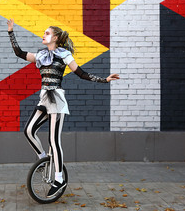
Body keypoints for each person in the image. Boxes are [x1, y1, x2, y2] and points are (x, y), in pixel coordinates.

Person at [7, 19, 119, 197]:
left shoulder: (64, 54)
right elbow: (19, 53)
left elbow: (81, 74)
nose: (43, 35)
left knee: (54, 140)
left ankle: (59, 179)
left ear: (56, 37)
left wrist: (104, 80)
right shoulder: (41, 55)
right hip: (44, 98)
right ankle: (43, 159)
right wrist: (11, 32)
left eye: (47, 33)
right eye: (44, 33)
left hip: (57, 100)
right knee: (28, 130)